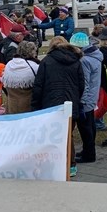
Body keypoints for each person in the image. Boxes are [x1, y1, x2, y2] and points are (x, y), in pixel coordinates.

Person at [31, 36, 85, 177]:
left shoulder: (46, 61)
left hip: (50, 104)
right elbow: (81, 84)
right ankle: (71, 164)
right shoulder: (76, 61)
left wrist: (35, 105)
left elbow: (39, 85)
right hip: (71, 102)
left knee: (51, 136)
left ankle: (53, 163)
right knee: (69, 135)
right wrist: (76, 98)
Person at [72, 32, 102, 164]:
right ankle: (88, 150)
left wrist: (82, 101)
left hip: (86, 99)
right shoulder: (95, 56)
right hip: (92, 97)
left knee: (85, 129)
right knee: (90, 126)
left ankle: (89, 154)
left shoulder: (84, 61)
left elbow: (84, 83)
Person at [2, 41, 40, 114]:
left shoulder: (9, 64)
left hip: (11, 106)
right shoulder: (33, 66)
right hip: (27, 107)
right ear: (31, 52)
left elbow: (4, 83)